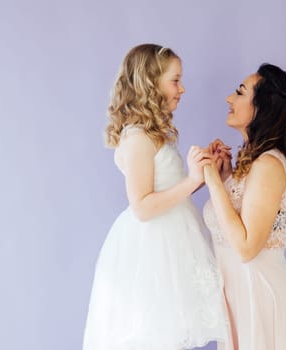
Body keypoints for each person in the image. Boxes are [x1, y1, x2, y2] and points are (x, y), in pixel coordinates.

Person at [82, 43, 228, 350]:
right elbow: (143, 206)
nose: (182, 88)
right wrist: (191, 180)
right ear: (151, 83)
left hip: (173, 239)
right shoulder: (136, 138)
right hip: (154, 249)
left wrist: (208, 173)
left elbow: (171, 191)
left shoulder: (154, 134)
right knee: (157, 334)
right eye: (175, 80)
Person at [202, 63, 286, 350]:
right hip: (240, 303)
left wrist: (211, 181)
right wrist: (226, 178)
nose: (230, 98)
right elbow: (237, 220)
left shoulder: (268, 165)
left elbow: (246, 247)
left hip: (261, 303)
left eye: (240, 93)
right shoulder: (254, 164)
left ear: (262, 107)